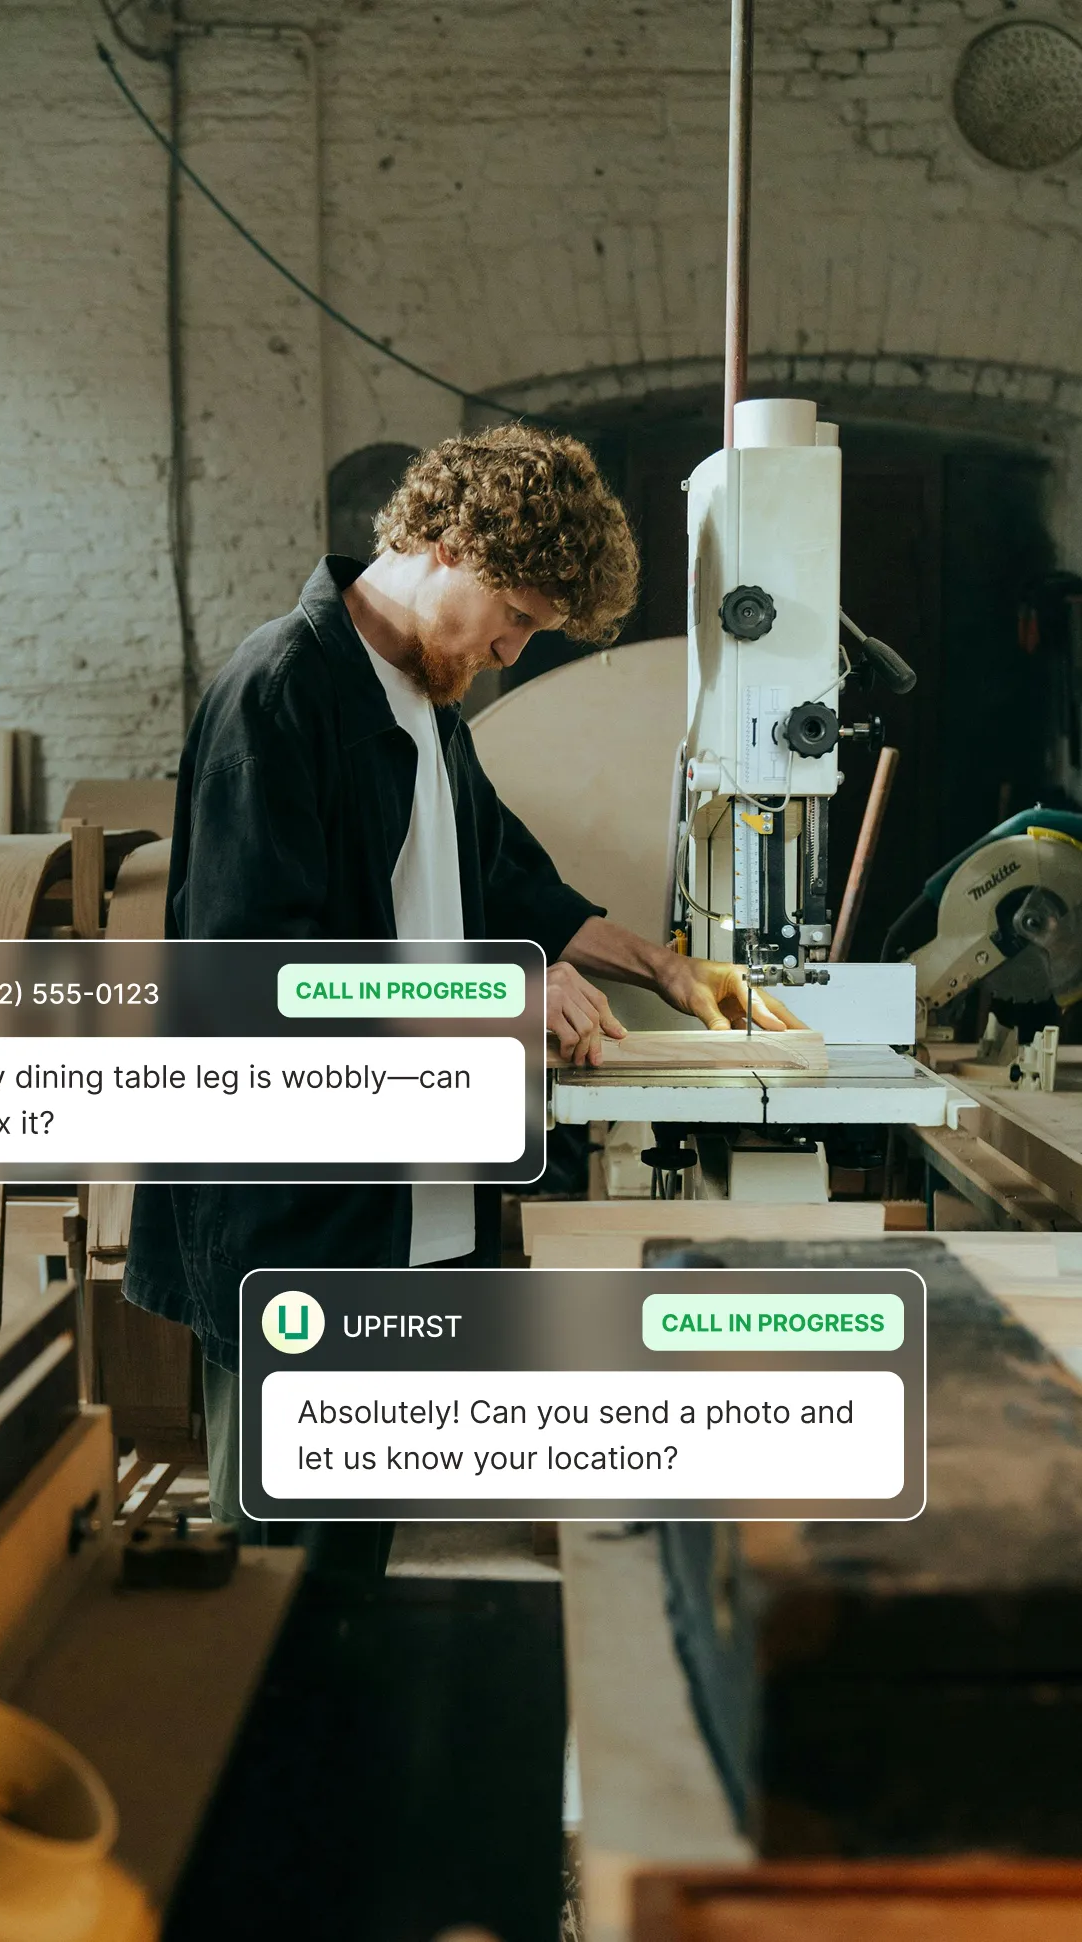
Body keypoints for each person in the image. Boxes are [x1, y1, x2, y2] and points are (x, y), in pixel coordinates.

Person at [123, 424, 799, 1572]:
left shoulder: (427, 703)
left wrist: (666, 966)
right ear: (443, 538)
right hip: (303, 1223)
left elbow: (503, 878)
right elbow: (259, 973)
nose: (516, 649)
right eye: (518, 616)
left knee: (353, 1574)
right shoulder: (281, 695)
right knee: (280, 1593)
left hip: (410, 1219)